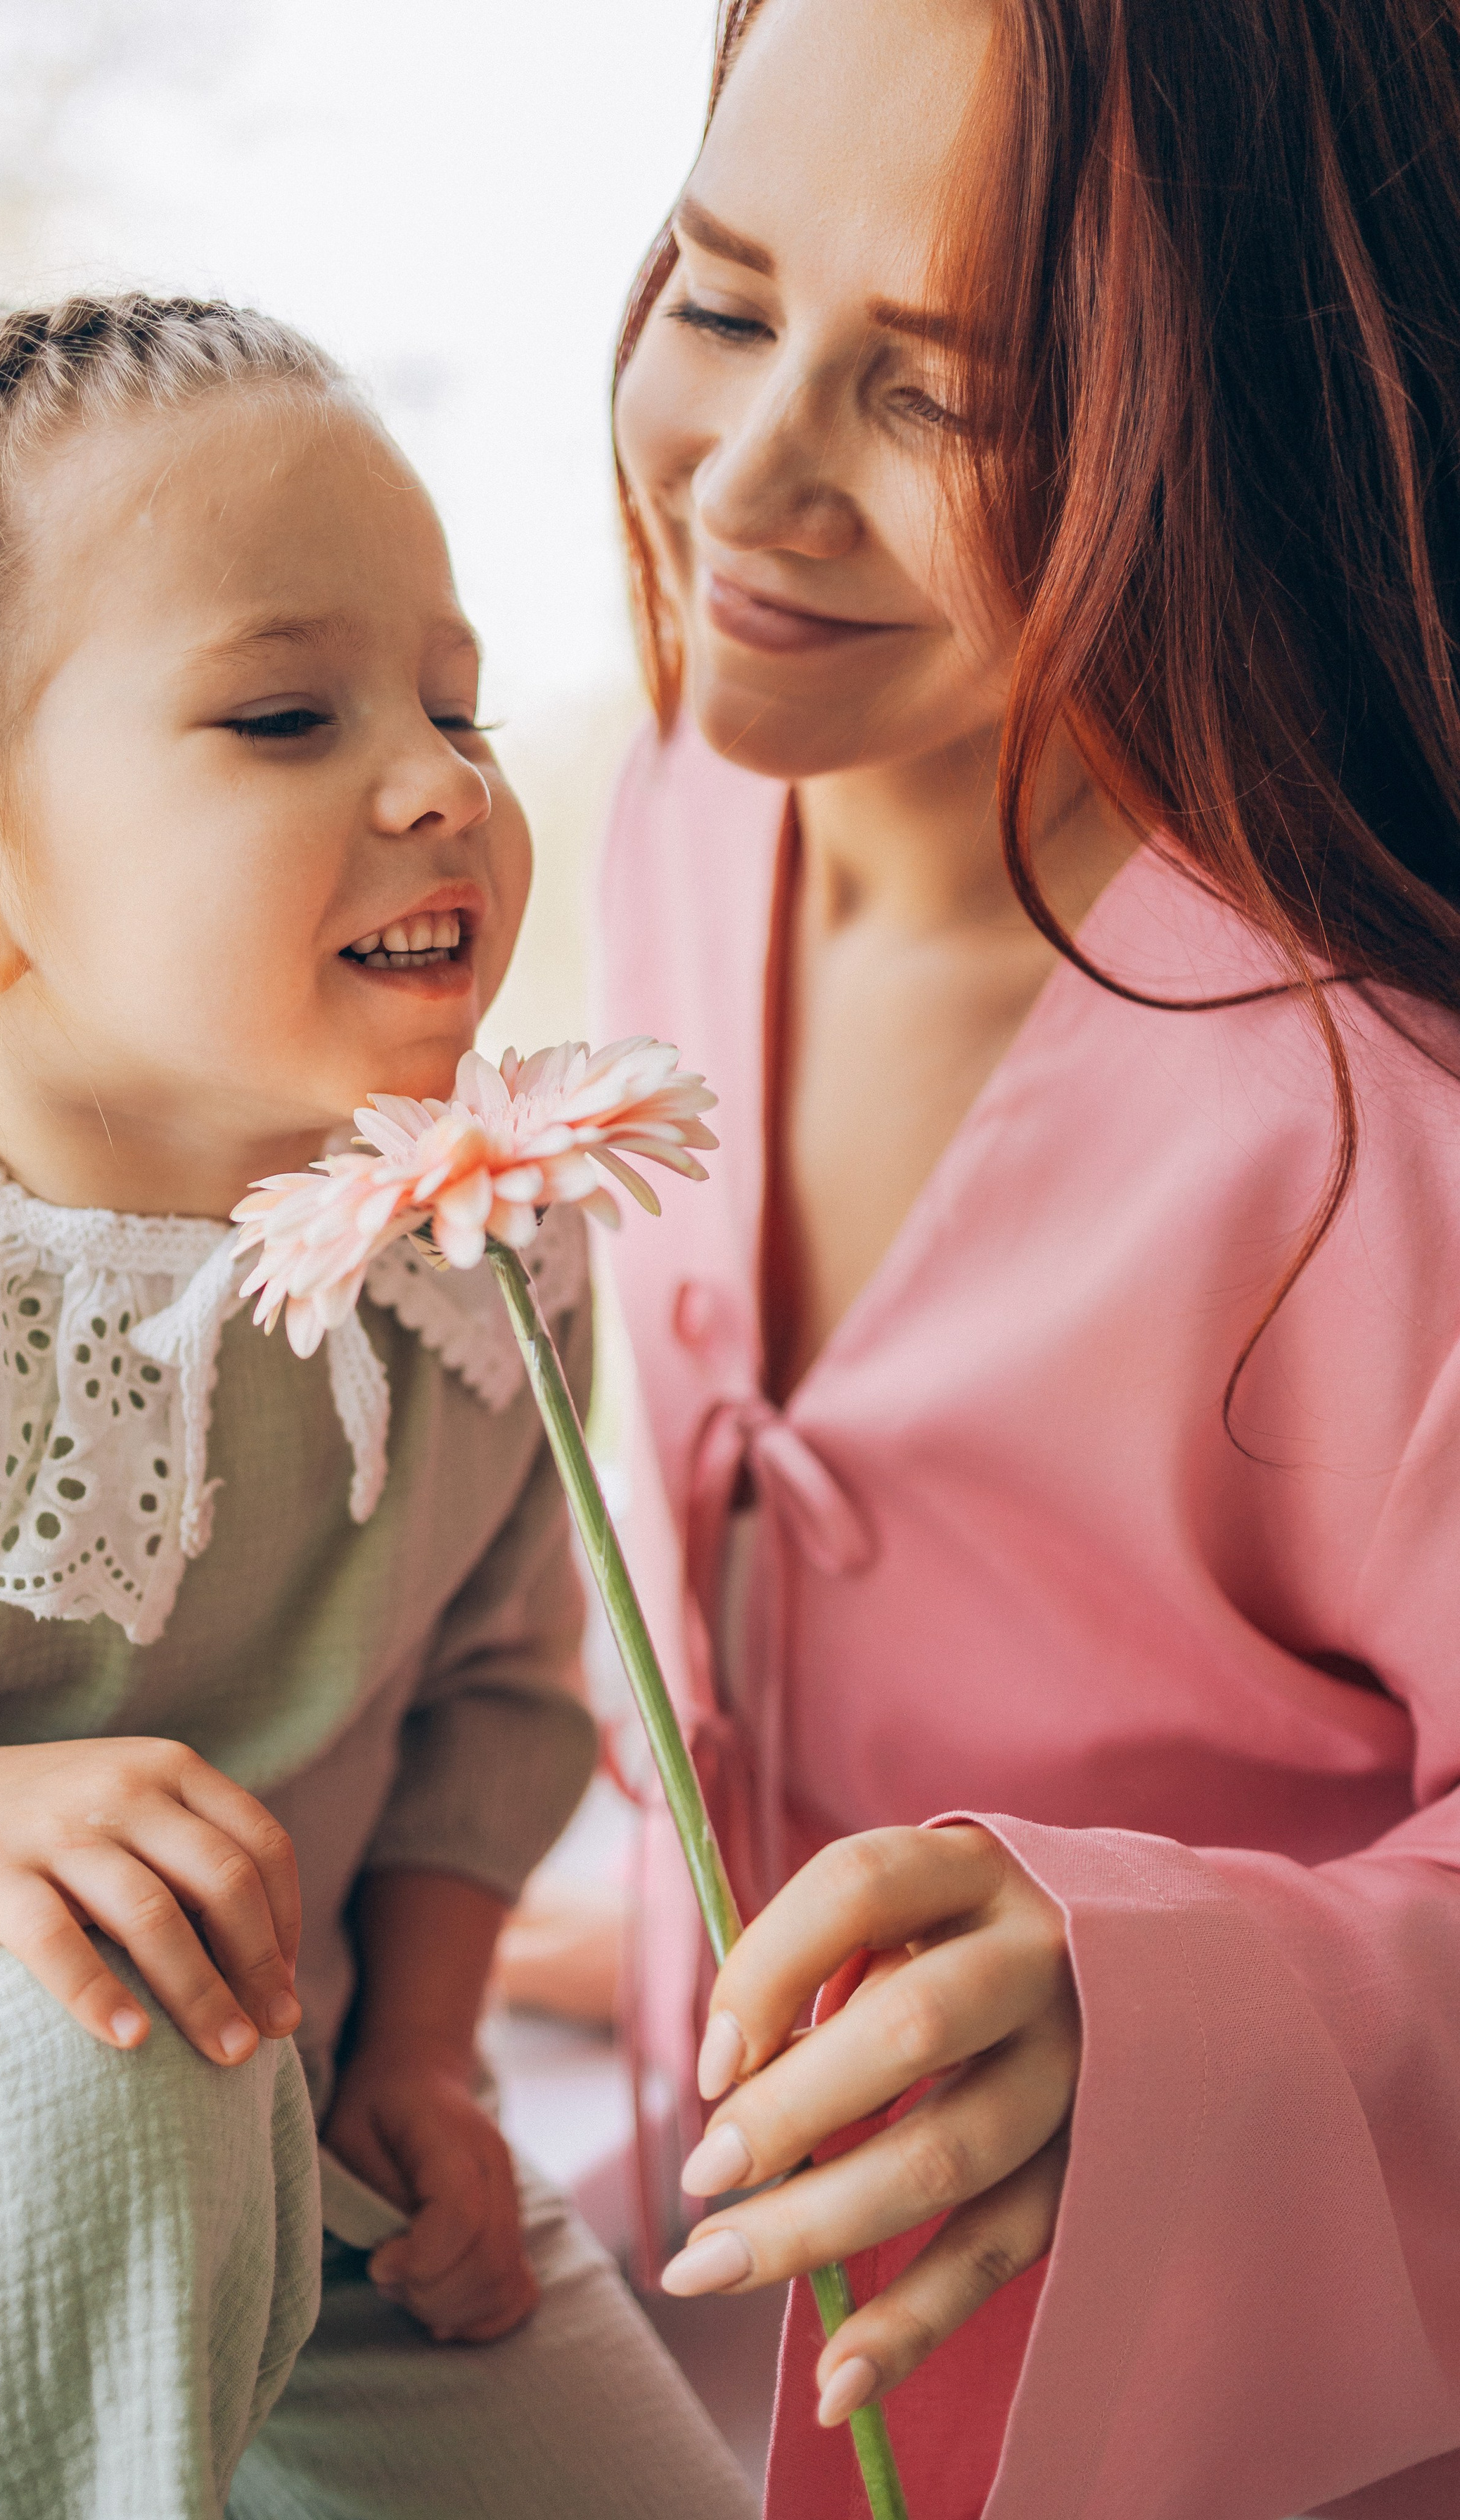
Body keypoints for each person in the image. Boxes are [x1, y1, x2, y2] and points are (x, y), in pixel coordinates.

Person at [0, 294, 755, 2520]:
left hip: (305, 2124)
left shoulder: (479, 1253)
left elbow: (492, 1699)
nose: (447, 773)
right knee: (100, 2049)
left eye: (452, 700)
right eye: (284, 713)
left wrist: (430, 2050)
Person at [596, 0, 1460, 2513]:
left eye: (947, 403)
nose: (746, 486)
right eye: (724, 300)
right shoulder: (683, 801)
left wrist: (1145, 2005)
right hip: (715, 2311)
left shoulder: (1363, 1119)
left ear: (1261, 432)